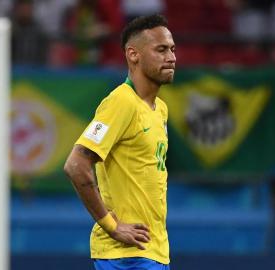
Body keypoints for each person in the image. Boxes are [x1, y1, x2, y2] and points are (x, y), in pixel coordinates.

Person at [64, 14, 175, 270]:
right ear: (133, 54)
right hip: (127, 257)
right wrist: (112, 226)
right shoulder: (121, 102)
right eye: (161, 49)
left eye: (172, 49)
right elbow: (76, 164)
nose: (171, 57)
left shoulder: (160, 110)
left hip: (152, 250)